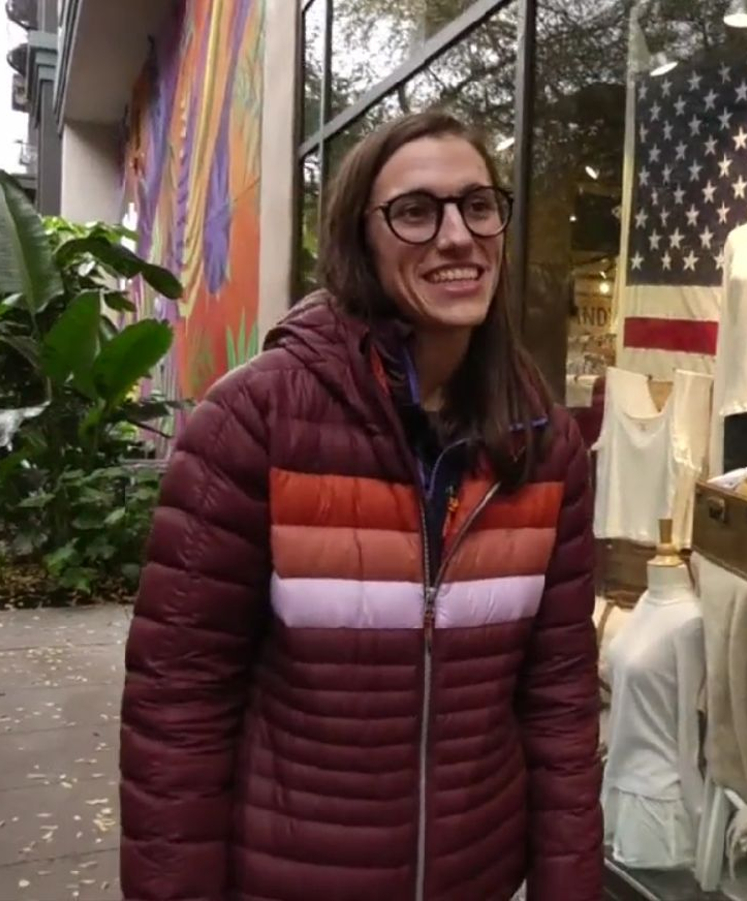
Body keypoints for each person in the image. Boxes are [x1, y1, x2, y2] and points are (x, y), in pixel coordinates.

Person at [119, 110, 603, 901]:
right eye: (416, 211)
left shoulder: (543, 444)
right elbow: (180, 711)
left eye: (479, 205)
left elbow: (558, 705)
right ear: (359, 240)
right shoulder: (256, 423)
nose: (457, 236)